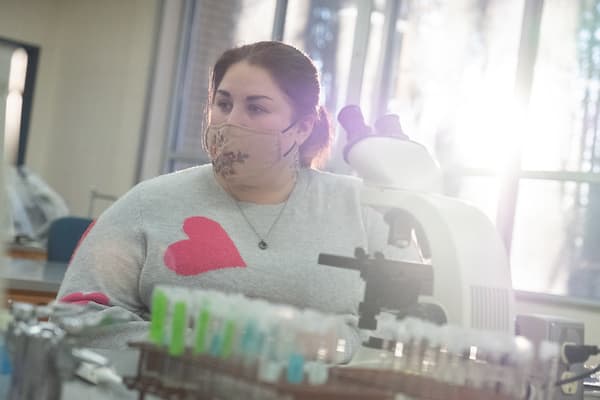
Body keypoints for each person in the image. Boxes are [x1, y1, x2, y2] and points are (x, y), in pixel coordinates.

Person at [56, 41, 414, 360]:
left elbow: (410, 325)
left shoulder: (363, 211)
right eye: (223, 104)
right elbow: (78, 313)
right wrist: (204, 348)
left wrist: (334, 345)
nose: (231, 122)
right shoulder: (148, 203)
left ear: (303, 127)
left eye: (256, 108)